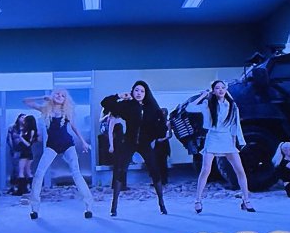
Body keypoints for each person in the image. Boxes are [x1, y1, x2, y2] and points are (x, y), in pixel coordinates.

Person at [182, 79, 255, 214]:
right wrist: (203, 96)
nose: (220, 90)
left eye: (222, 87)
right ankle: (198, 200)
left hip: (227, 138)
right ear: (213, 91)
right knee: (206, 169)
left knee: (240, 170)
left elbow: (236, 125)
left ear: (226, 89)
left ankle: (246, 200)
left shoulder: (232, 105)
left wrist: (238, 141)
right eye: (217, 88)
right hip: (213, 138)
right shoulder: (208, 104)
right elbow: (189, 108)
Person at [99, 81, 169, 219]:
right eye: (136, 90)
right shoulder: (128, 105)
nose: (139, 93)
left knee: (154, 170)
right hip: (129, 142)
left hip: (144, 143)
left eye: (142, 91)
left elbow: (161, 126)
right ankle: (114, 206)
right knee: (120, 170)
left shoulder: (151, 107)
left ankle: (162, 203)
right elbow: (105, 102)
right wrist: (119, 96)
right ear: (132, 91)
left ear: (146, 93)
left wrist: (156, 132)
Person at [29, 89, 94, 221]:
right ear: (52, 96)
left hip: (67, 144)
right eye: (57, 94)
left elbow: (74, 127)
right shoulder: (45, 109)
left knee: (76, 173)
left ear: (65, 100)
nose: (60, 96)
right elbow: (26, 101)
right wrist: (42, 97)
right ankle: (34, 209)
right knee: (39, 173)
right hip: (51, 146)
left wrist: (83, 142)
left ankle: (89, 207)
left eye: (63, 96)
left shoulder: (66, 112)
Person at [7, 113, 41, 199]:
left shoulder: (31, 131)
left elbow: (28, 144)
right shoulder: (28, 130)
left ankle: (22, 189)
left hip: (26, 152)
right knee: (27, 171)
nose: (24, 121)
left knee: (22, 171)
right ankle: (31, 188)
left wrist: (21, 138)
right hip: (26, 152)